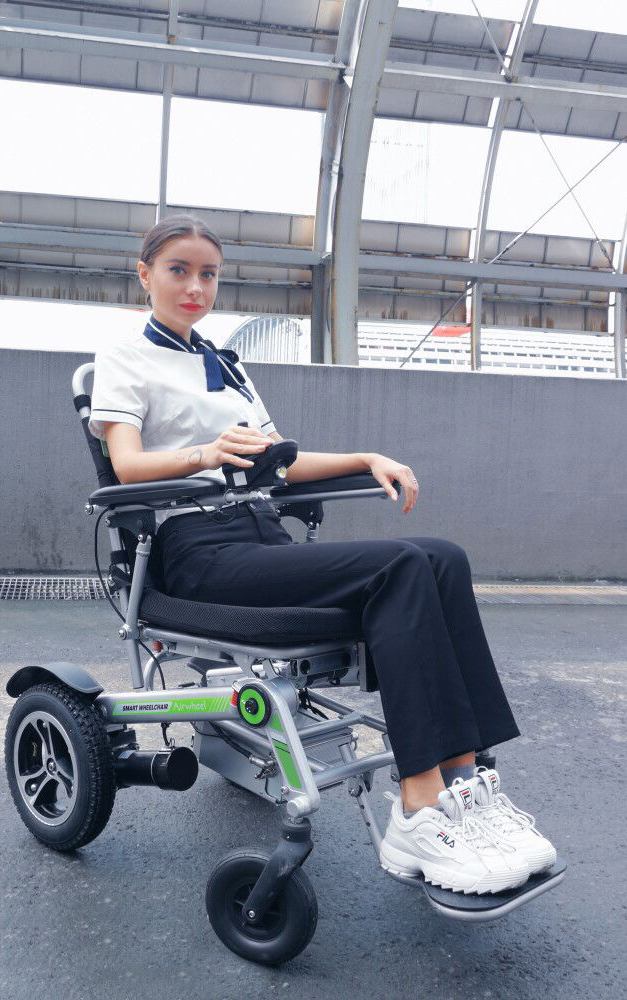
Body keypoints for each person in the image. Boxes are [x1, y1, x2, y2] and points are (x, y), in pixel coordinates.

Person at [89, 213, 557, 895]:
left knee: (442, 557)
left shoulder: (224, 363)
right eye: (178, 271)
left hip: (259, 534)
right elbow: (126, 466)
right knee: (399, 567)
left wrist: (365, 457)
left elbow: (280, 463)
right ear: (145, 275)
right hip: (195, 548)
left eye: (208, 274)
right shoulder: (124, 357)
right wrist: (207, 454)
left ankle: (465, 786)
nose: (195, 287)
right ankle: (419, 804)